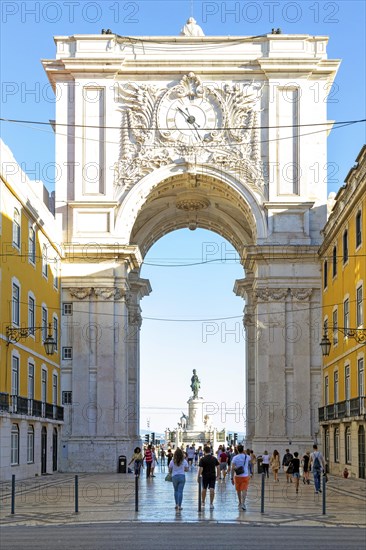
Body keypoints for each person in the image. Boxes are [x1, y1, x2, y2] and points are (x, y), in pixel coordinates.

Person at [198, 445, 220, 509]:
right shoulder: (214, 458)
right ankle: (211, 503)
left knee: (204, 488)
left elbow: (201, 469)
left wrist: (198, 476)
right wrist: (218, 475)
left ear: (204, 451)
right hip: (212, 475)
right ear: (210, 451)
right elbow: (218, 467)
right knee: (212, 489)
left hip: (205, 476)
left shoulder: (202, 459)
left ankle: (203, 502)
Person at [231, 444, 251, 511]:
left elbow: (232, 468)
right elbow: (253, 461)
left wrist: (231, 477)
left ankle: (239, 502)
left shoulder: (235, 458)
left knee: (238, 490)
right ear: (243, 449)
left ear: (237, 450)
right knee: (244, 490)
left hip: (237, 476)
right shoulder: (247, 456)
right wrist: (245, 453)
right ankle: (243, 503)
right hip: (245, 476)